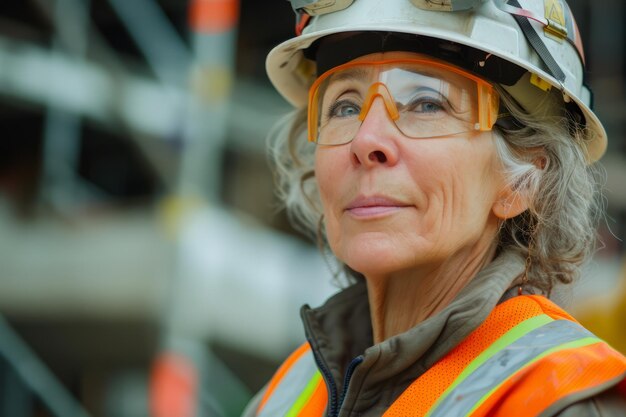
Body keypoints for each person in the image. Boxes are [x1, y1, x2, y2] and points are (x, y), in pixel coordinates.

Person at [244, 0, 626, 415]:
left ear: (523, 180)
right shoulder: (284, 395)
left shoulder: (558, 399)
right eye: (345, 106)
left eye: (427, 103)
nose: (365, 140)